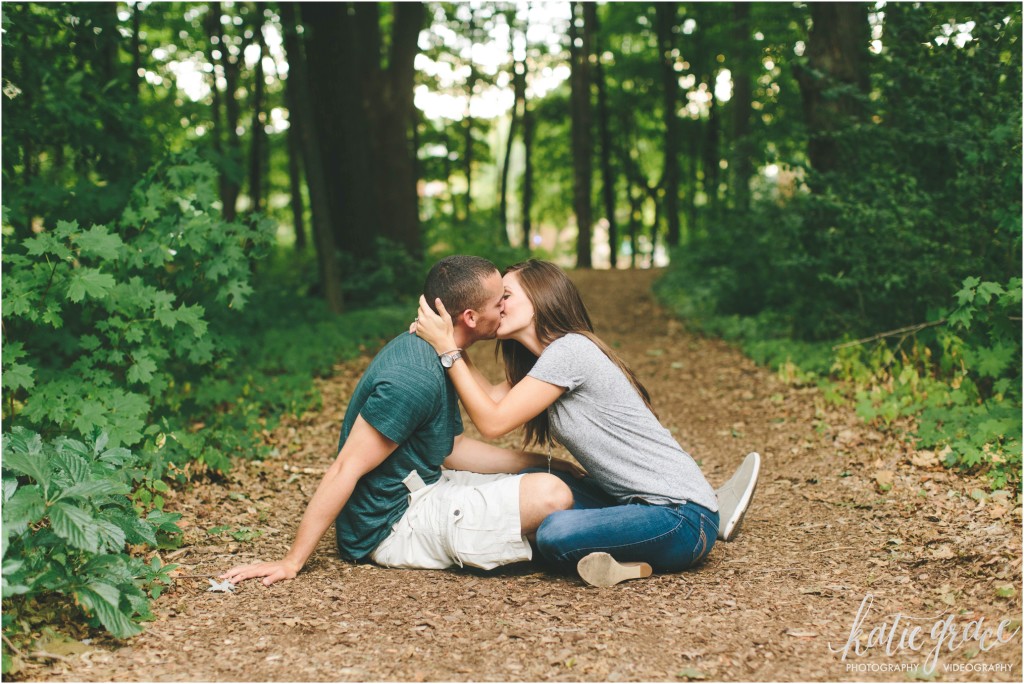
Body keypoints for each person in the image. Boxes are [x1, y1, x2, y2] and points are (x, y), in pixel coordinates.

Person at [221, 255, 584, 587]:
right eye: (498, 301)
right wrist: (292, 561)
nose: (505, 307)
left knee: (557, 482)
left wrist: (543, 462)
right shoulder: (412, 377)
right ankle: (601, 546)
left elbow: (451, 448)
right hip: (392, 524)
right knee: (549, 495)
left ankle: (594, 542)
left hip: (425, 486)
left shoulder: (441, 354)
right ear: (471, 318)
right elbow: (345, 468)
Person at [414, 258, 760, 587]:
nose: (498, 305)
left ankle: (691, 525)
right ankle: (665, 530)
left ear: (541, 298)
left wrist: (448, 349)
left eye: (506, 296)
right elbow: (488, 395)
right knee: (532, 481)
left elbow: (492, 422)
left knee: (555, 533)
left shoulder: (571, 352)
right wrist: (456, 338)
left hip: (679, 517)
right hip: (634, 505)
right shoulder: (544, 363)